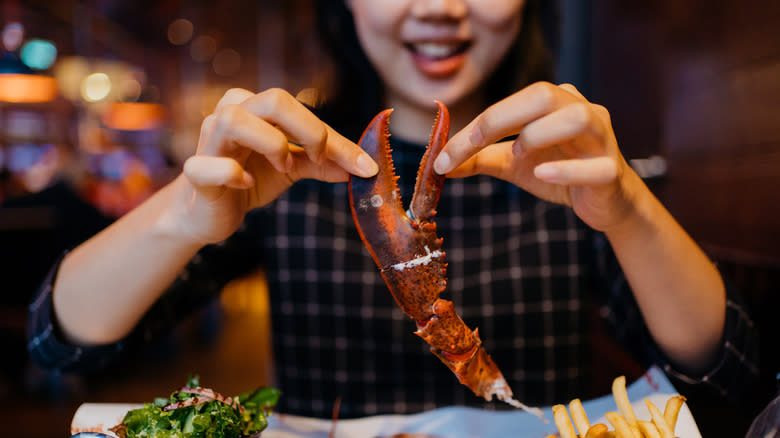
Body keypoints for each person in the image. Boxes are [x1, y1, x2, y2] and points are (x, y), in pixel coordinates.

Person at [27, 0, 758, 418]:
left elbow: (726, 374)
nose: (439, 7)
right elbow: (62, 344)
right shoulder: (283, 164)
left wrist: (628, 207)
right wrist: (179, 217)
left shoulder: (573, 156)